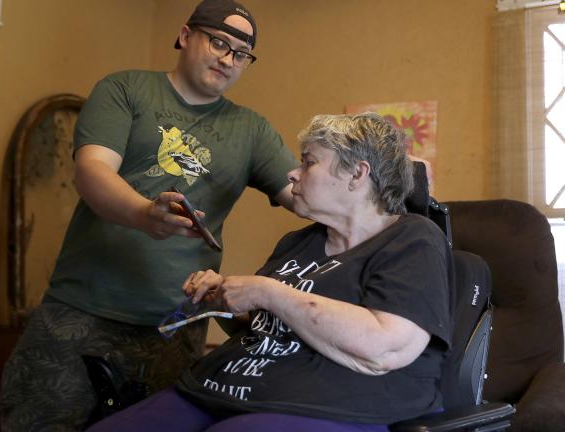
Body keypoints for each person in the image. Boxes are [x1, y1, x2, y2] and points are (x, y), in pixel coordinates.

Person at [0, 0, 298, 430]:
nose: (227, 59)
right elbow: (92, 171)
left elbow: (303, 195)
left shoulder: (252, 131)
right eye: (218, 42)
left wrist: (381, 181)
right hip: (81, 309)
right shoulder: (125, 89)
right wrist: (144, 214)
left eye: (240, 54)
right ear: (184, 35)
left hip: (174, 325)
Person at [88, 112, 454, 432]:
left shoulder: (411, 237)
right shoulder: (298, 242)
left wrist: (267, 291)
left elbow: (386, 345)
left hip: (323, 403)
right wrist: (228, 301)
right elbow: (266, 328)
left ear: (357, 174)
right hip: (222, 388)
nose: (292, 174)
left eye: (308, 162)